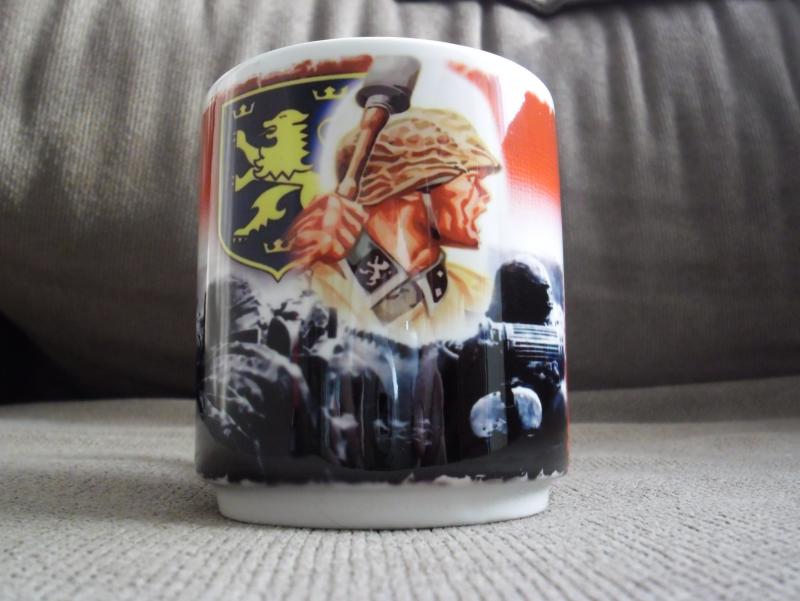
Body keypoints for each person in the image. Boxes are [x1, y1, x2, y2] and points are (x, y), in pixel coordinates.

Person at [286, 108, 501, 345]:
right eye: (471, 179)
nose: (485, 194)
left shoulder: (477, 295)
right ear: (408, 183)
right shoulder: (314, 290)